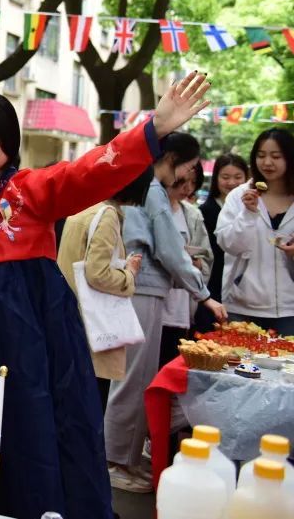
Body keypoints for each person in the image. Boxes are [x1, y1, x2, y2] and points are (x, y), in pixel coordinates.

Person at [0, 72, 210, 519]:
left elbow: (89, 170)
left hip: (27, 331)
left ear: (9, 137)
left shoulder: (32, 188)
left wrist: (154, 128)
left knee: (29, 420)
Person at [108, 132, 225, 493]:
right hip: (142, 290)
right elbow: (170, 250)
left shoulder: (150, 186)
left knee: (136, 378)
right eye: (189, 165)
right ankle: (114, 461)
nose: (189, 174)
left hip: (145, 289)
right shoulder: (154, 190)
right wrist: (204, 295)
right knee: (132, 379)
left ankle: (124, 458)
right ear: (173, 158)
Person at [56, 166, 152, 412]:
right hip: (94, 330)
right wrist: (128, 274)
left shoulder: (85, 207)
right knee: (91, 409)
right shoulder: (107, 215)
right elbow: (97, 273)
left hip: (70, 321)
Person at [215, 128, 294, 334]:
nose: (267, 162)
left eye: (276, 156)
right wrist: (248, 214)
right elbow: (228, 244)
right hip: (243, 305)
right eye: (261, 155)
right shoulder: (239, 196)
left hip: (290, 308)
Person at [158, 164, 214, 366]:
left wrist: (197, 264)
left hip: (181, 306)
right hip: (153, 300)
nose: (188, 188)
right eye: (183, 181)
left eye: (193, 182)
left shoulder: (192, 214)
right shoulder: (151, 210)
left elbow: (206, 257)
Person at [194, 153, 249, 332]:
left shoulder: (253, 210)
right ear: (216, 178)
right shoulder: (204, 211)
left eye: (238, 177)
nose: (231, 182)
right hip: (212, 279)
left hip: (244, 282)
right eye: (225, 177)